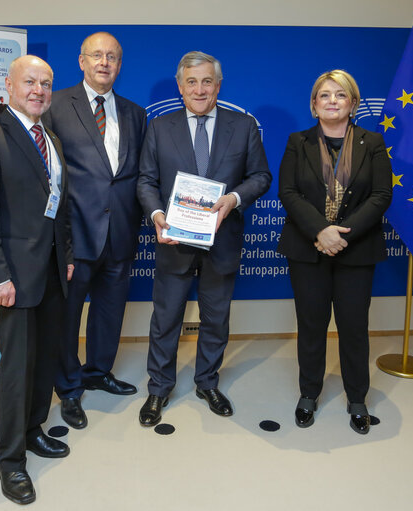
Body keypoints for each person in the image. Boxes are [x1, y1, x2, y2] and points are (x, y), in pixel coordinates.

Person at [0, 55, 74, 506]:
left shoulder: (52, 140)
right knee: (16, 368)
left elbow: (58, 206)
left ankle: (33, 430)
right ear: (9, 84)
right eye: (30, 82)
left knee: (44, 359)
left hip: (49, 271)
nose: (39, 90)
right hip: (11, 277)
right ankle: (11, 461)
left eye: (46, 83)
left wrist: (64, 256)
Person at [136, 51, 271, 426]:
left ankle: (207, 382)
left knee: (216, 318)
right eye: (191, 82)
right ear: (180, 87)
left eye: (207, 81)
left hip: (222, 240)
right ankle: (159, 388)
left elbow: (261, 176)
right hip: (173, 242)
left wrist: (234, 198)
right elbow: (146, 180)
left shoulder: (243, 126)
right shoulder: (160, 127)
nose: (199, 89)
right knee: (165, 320)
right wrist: (157, 214)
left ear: (218, 85)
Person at [277, 70, 392, 435]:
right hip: (308, 249)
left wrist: (342, 236)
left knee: (354, 328)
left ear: (353, 103)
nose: (331, 101)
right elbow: (288, 192)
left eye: (340, 95)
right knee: (311, 326)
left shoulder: (372, 142)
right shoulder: (298, 141)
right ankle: (309, 393)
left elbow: (381, 195)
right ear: (313, 105)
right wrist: (320, 232)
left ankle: (357, 398)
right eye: (324, 95)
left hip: (355, 251)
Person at [45, 32, 147, 429]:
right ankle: (69, 388)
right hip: (74, 236)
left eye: (112, 57)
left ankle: (98, 371)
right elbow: (46, 175)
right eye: (97, 55)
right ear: (81, 61)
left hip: (121, 233)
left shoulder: (136, 114)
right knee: (68, 318)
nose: (104, 62)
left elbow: (139, 176)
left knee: (109, 312)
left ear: (120, 65)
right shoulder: (55, 105)